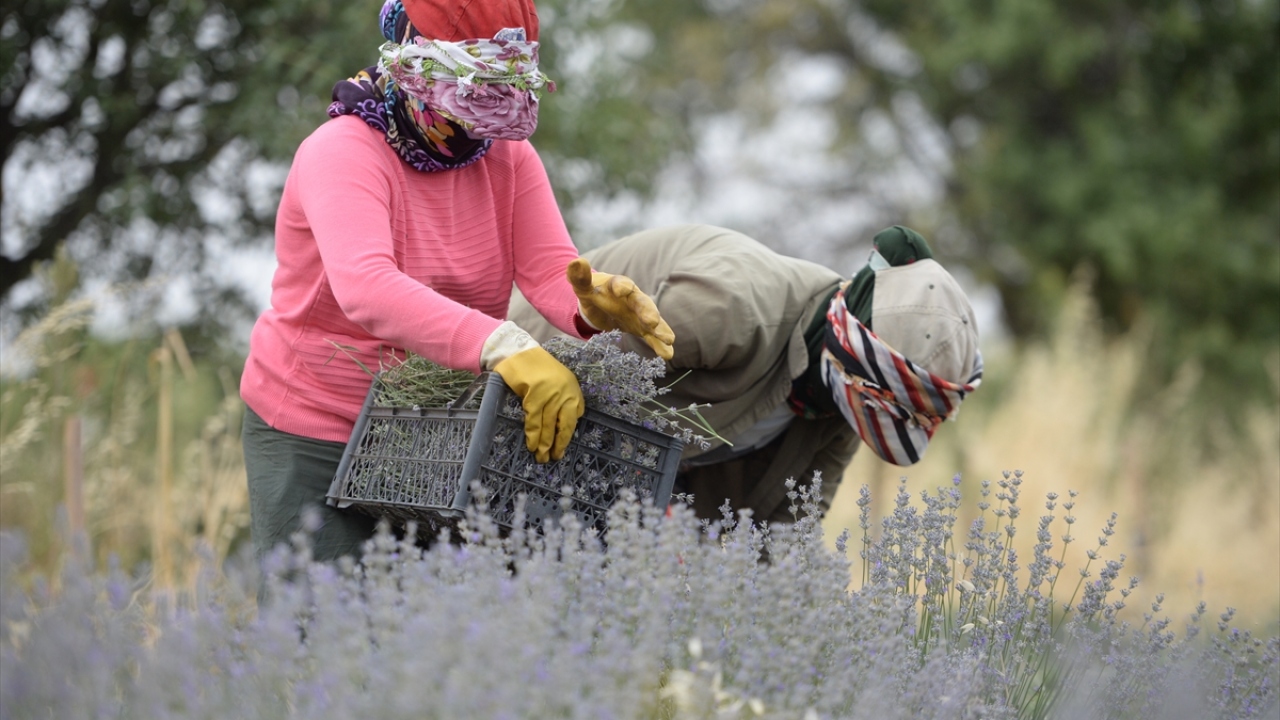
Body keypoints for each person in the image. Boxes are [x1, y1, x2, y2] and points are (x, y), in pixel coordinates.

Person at [239, 0, 674, 564]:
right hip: (318, 427)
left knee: (436, 635)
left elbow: (548, 269)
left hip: (436, 427)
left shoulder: (507, 156)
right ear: (410, 67)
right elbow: (367, 286)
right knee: (321, 634)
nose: (477, 127)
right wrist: (504, 344)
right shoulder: (340, 153)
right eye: (468, 100)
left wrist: (592, 305)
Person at [508, 223, 982, 524]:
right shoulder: (733, 308)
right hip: (506, 391)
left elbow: (782, 537)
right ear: (852, 362)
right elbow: (582, 365)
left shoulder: (832, 411)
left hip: (606, 494)